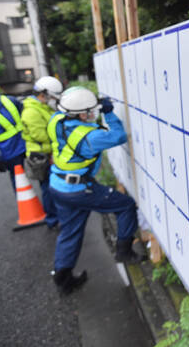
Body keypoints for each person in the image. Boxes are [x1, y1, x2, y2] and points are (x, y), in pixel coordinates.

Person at [47, 86, 145, 295]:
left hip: (57, 184)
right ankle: (124, 251)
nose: (93, 114)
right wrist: (108, 113)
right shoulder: (89, 137)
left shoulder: (56, 119)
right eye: (90, 111)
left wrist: (87, 103)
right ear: (81, 115)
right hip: (78, 189)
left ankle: (63, 278)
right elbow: (118, 136)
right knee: (125, 205)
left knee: (70, 231)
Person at [21, 76, 63, 229]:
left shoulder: (43, 107)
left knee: (53, 186)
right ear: (43, 94)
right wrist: (61, 138)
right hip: (42, 155)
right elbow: (41, 135)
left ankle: (58, 216)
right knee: (48, 188)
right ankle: (53, 219)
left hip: (49, 152)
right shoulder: (31, 111)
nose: (53, 100)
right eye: (52, 97)